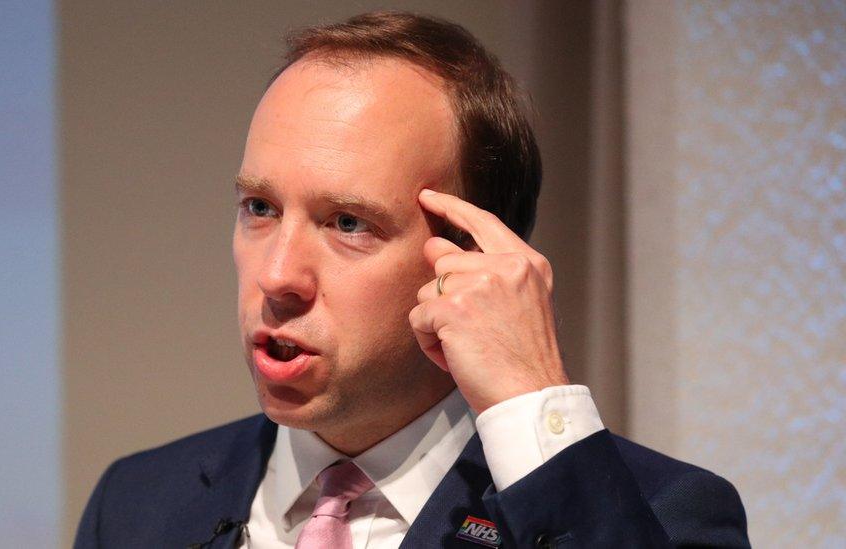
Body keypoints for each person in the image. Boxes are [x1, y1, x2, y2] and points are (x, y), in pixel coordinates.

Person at [75, 11, 749, 548]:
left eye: (347, 222)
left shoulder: (666, 513)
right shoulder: (138, 503)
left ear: (470, 256)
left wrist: (530, 399)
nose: (277, 276)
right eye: (260, 208)